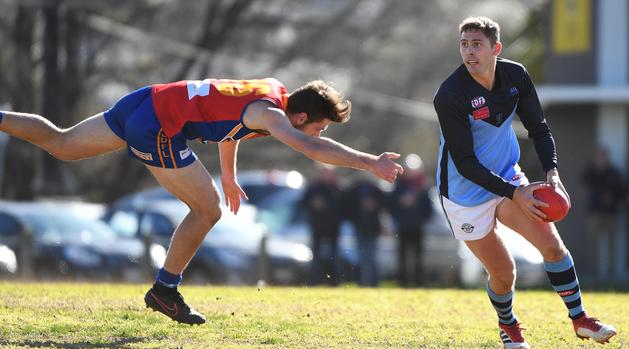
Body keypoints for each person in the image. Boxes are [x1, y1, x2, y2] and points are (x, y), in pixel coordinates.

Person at [0, 78, 404, 325]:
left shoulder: (272, 90)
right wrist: (369, 163)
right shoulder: (271, 115)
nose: (318, 133)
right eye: (319, 126)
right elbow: (308, 148)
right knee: (208, 209)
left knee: (62, 143)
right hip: (157, 125)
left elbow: (231, 125)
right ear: (300, 117)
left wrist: (228, 174)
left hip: (148, 99)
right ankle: (164, 289)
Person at [433, 17, 616, 349]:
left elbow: (539, 128)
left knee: (551, 245)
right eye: (464, 44)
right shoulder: (450, 94)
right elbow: (465, 162)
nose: (469, 52)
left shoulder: (515, 76)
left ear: (495, 49)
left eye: (477, 44)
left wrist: (552, 173)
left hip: (507, 175)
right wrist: (514, 191)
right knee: (504, 273)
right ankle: (508, 325)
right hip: (464, 192)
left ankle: (581, 319)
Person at [580, 146, 626, 279]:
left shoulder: (614, 172)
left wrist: (612, 198)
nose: (602, 159)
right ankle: (593, 270)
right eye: (599, 156)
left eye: (604, 156)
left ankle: (611, 271)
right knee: (593, 243)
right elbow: (583, 179)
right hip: (594, 213)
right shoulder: (592, 171)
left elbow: (622, 190)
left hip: (611, 214)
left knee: (612, 243)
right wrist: (595, 167)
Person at [388, 153, 433, 287]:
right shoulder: (399, 184)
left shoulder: (422, 186)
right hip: (403, 225)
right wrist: (401, 205)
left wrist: (422, 218)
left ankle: (418, 282)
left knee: (418, 256)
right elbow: (392, 204)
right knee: (402, 255)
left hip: (417, 226)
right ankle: (403, 282)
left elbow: (428, 207)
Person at [301, 163, 344, 285]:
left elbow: (343, 208)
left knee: (334, 256)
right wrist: (313, 204)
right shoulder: (314, 188)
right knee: (317, 256)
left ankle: (335, 282)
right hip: (317, 227)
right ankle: (315, 281)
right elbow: (303, 204)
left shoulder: (337, 188)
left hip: (333, 228)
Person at [344, 177, 386, 287]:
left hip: (373, 228)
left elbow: (383, 205)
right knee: (363, 256)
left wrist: (374, 206)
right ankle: (363, 281)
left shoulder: (375, 189)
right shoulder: (354, 190)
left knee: (371, 256)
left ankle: (373, 282)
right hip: (360, 227)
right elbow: (348, 207)